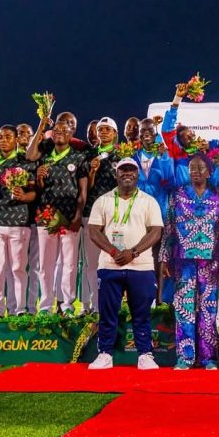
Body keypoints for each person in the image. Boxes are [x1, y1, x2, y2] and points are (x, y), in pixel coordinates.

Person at [87, 157, 164, 370]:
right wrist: (113, 251)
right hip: (109, 265)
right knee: (107, 312)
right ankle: (105, 354)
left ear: (138, 175)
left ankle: (145, 355)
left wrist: (134, 252)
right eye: (123, 170)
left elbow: (156, 232)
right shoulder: (103, 200)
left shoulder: (149, 201)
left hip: (141, 266)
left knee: (142, 313)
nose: (127, 173)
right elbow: (93, 231)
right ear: (116, 174)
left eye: (131, 170)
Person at [160, 153, 219, 369]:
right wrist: (164, 257)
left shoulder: (218, 195)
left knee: (208, 307)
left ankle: (208, 358)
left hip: (210, 260)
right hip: (182, 259)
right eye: (192, 168)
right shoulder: (177, 195)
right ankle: (185, 357)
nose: (196, 172)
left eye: (200, 168)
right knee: (184, 307)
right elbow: (169, 226)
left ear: (209, 172)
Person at [0, 125, 36, 316]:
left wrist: (24, 196)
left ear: (16, 139)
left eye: (8, 137)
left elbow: (34, 192)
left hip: (18, 221)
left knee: (18, 268)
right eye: (1, 137)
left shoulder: (25, 162)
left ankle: (18, 309)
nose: (4, 140)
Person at [34, 118, 85, 313]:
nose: (59, 133)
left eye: (64, 131)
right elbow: (40, 188)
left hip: (70, 215)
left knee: (69, 263)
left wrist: (78, 216)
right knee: (46, 264)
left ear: (71, 135)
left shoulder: (79, 158)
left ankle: (67, 305)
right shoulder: (45, 157)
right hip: (47, 214)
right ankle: (46, 305)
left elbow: (83, 191)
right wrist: (39, 178)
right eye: (56, 130)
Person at [80, 117, 122, 310]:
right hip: (91, 214)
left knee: (114, 260)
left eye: (107, 129)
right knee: (91, 261)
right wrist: (92, 171)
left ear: (115, 133)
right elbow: (85, 187)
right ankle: (93, 304)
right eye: (100, 129)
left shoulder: (122, 154)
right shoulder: (89, 154)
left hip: (116, 216)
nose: (103, 132)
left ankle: (113, 303)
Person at [134, 118, 174, 304]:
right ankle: (141, 300)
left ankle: (160, 301)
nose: (146, 133)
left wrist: (164, 158)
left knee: (160, 258)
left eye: (149, 130)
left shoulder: (163, 155)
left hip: (160, 214)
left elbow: (170, 181)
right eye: (142, 131)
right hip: (138, 214)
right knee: (139, 255)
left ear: (156, 134)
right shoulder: (134, 156)